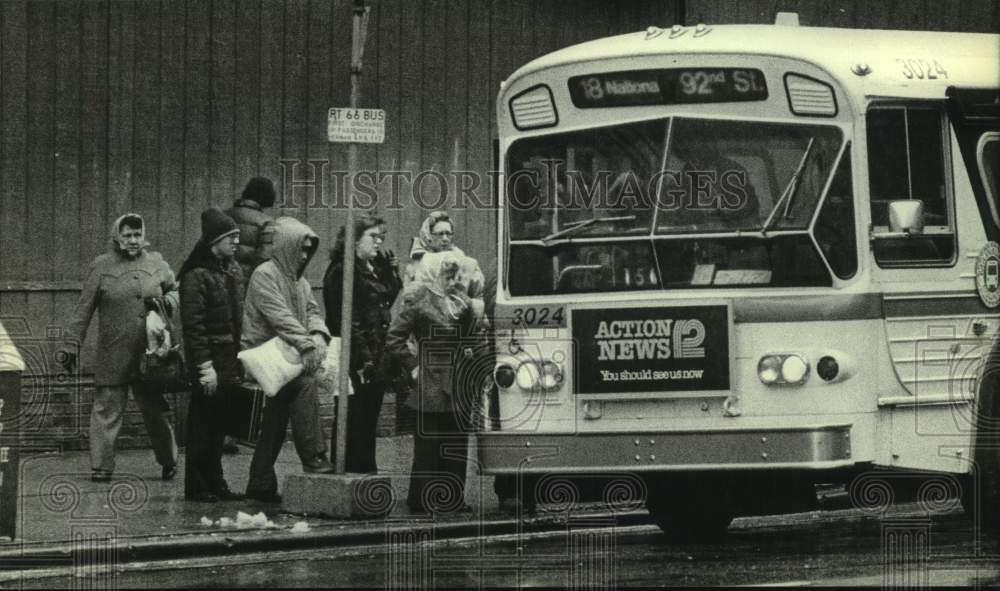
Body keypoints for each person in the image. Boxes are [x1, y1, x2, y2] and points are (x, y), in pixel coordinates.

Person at [59, 213, 179, 482]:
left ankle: (169, 460)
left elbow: (175, 290)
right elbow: (83, 310)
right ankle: (101, 466)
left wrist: (168, 302)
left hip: (150, 352)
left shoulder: (156, 263)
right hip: (113, 353)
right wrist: (70, 344)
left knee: (156, 410)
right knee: (106, 410)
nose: (133, 240)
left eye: (137, 235)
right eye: (127, 235)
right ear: (117, 236)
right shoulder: (101, 267)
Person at [242, 216, 335, 504]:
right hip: (264, 354)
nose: (305, 254)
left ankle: (260, 482)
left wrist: (318, 333)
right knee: (303, 386)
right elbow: (279, 316)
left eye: (309, 249)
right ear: (287, 246)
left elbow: (312, 311)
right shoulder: (265, 274)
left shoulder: (300, 281)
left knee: (276, 418)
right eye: (301, 248)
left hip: (284, 354)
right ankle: (314, 456)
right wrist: (308, 343)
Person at [386, 251, 487, 514]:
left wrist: (483, 364)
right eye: (446, 273)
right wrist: (413, 366)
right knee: (428, 445)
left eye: (455, 274)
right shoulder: (419, 302)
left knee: (455, 442)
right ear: (433, 274)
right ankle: (423, 499)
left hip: (459, 378)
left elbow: (473, 337)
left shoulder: (461, 301)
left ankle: (452, 499)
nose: (452, 279)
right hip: (431, 378)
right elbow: (394, 338)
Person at [322, 214, 402, 474]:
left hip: (374, 351)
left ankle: (366, 471)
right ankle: (352, 470)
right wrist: (363, 359)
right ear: (354, 240)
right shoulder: (342, 271)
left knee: (369, 417)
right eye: (373, 237)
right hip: (356, 354)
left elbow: (383, 303)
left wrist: (391, 272)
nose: (378, 242)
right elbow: (348, 319)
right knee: (354, 415)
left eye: (382, 237)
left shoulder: (370, 268)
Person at [178, 208, 247, 502]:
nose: (236, 243)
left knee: (219, 426)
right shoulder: (196, 277)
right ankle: (197, 485)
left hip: (228, 360)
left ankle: (216, 481)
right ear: (214, 241)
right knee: (202, 426)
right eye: (230, 237)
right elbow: (194, 328)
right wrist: (205, 367)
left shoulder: (231, 271)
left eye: (237, 237)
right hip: (211, 362)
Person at [222, 176, 278, 455]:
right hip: (248, 301)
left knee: (228, 361)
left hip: (223, 297)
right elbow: (264, 266)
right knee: (248, 363)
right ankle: (241, 430)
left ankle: (223, 434)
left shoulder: (225, 216)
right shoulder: (266, 224)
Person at [405, 211, 464, 284]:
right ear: (428, 235)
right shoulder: (418, 262)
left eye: (448, 234)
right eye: (440, 234)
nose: (445, 239)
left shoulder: (458, 255)